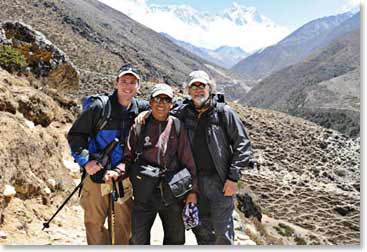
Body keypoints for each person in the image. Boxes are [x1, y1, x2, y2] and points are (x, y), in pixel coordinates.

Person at [67, 64, 150, 244]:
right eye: (124, 81)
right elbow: (76, 135)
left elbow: (166, 108)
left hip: (123, 178)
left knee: (123, 226)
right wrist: (85, 162)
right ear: (116, 83)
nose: (128, 86)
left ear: (138, 86)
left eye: (132, 82)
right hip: (96, 175)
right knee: (94, 225)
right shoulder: (99, 107)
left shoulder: (141, 108)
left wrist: (148, 112)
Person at [173, 70, 252, 245]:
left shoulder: (224, 113)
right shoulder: (183, 113)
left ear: (210, 88)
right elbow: (160, 113)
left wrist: (233, 178)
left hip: (220, 182)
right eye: (194, 86)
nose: (198, 90)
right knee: (201, 230)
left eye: (202, 85)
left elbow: (243, 145)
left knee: (222, 231)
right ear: (188, 90)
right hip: (195, 183)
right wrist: (145, 114)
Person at [122, 83, 198, 245]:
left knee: (175, 241)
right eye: (157, 98)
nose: (161, 103)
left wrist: (193, 192)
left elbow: (188, 161)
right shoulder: (139, 126)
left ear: (171, 104)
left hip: (172, 196)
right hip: (144, 196)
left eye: (166, 99)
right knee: (137, 239)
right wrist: (117, 173)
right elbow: (127, 157)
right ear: (150, 102)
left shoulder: (177, 126)